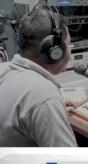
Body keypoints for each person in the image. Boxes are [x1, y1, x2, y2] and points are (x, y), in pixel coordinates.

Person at [0, 4, 77, 147]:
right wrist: (48, 107)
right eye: (69, 44)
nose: (70, 52)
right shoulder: (44, 97)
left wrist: (47, 112)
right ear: (54, 51)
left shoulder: (3, 70)